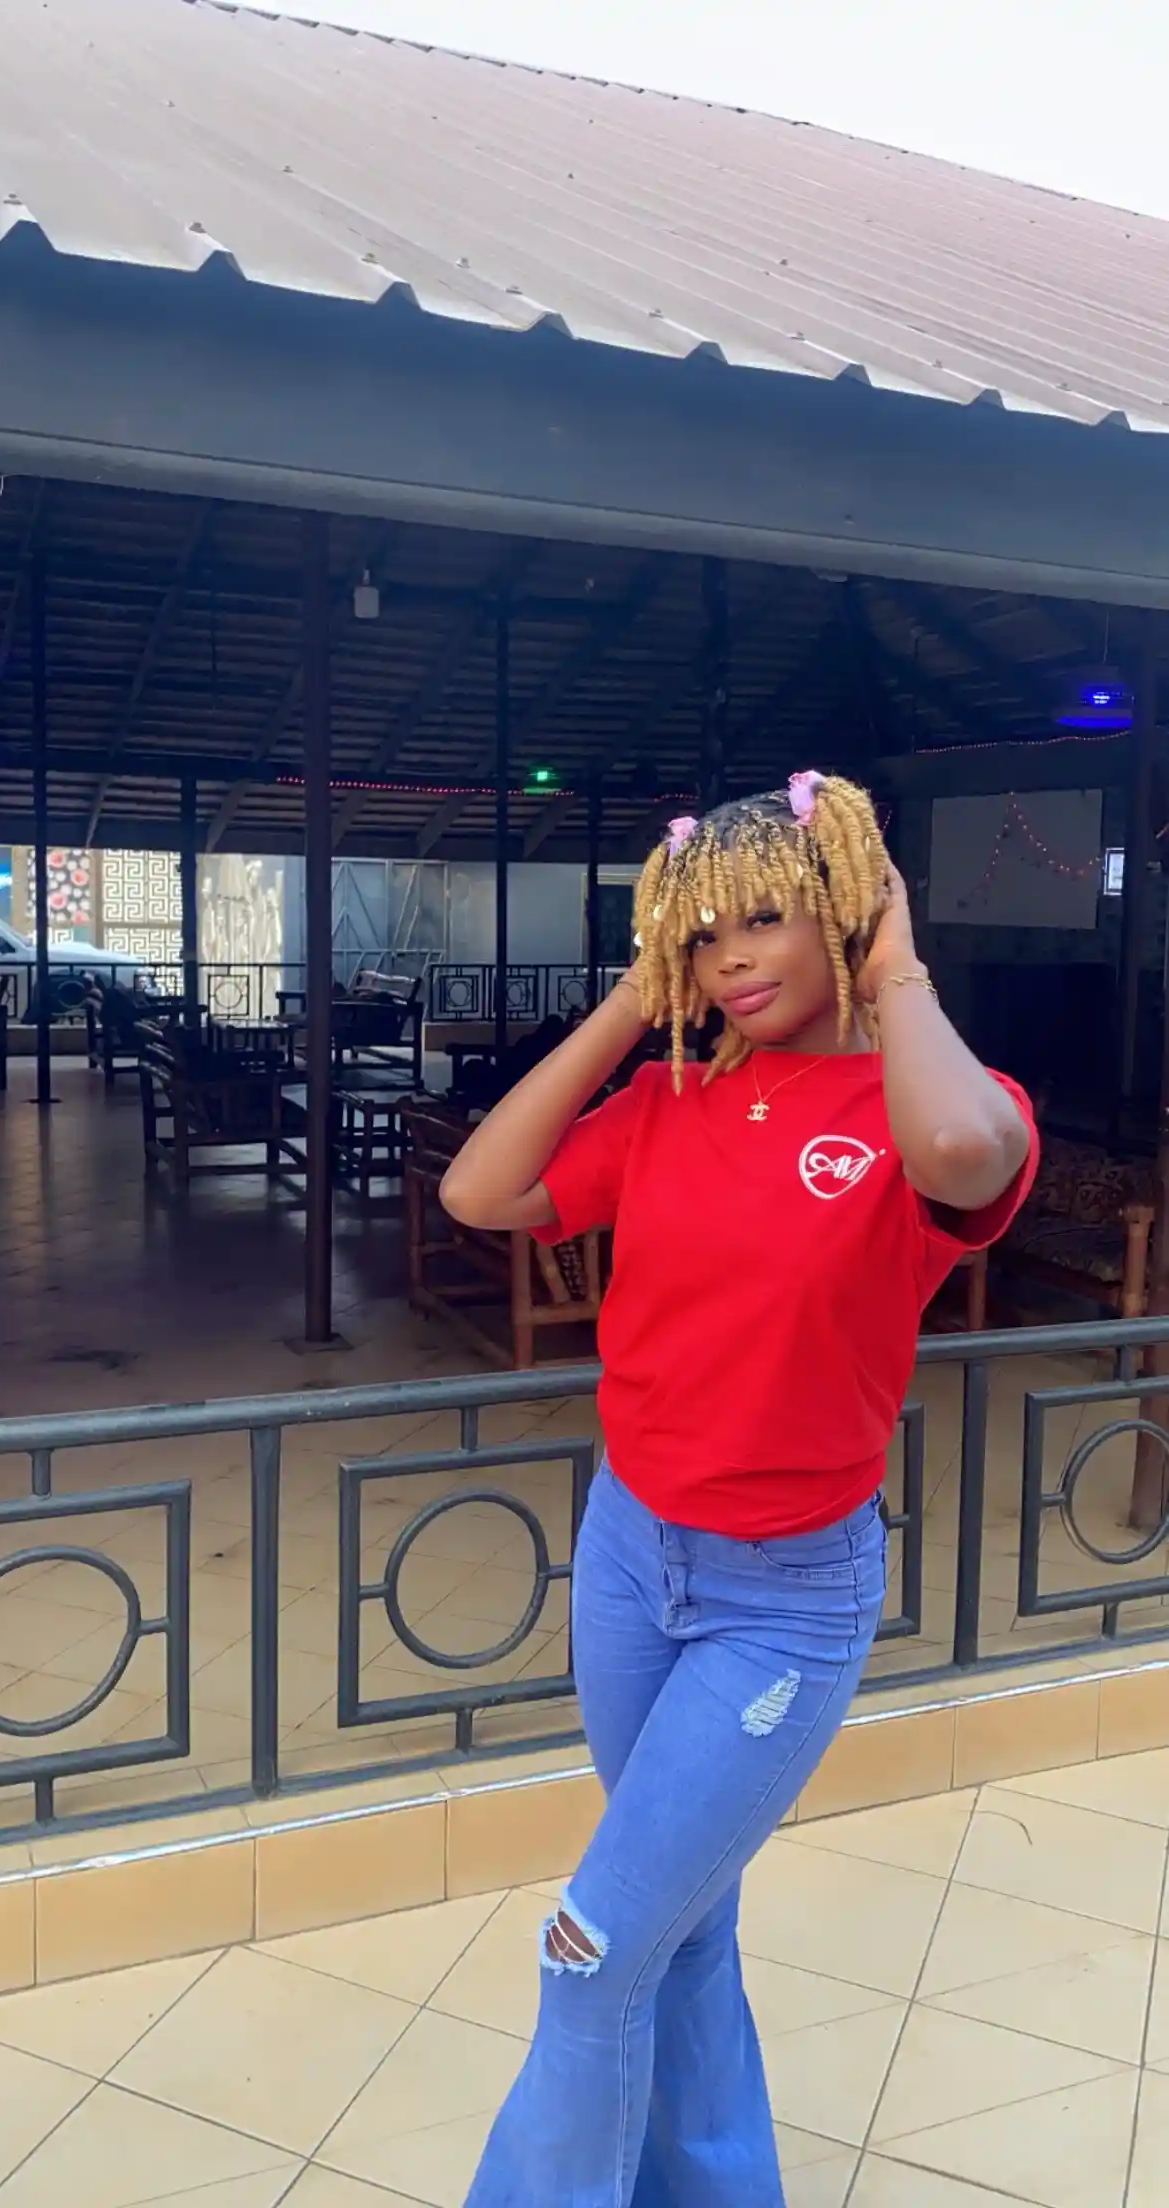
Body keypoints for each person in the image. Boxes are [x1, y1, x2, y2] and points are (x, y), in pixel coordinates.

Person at [441, 773, 1038, 2208]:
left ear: (844, 909)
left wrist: (895, 968)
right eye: (702, 935)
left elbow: (967, 1157)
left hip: (782, 1597)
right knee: (682, 1929)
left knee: (589, 1950)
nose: (730, 960)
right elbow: (480, 1192)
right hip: (629, 1555)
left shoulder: (923, 1106)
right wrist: (625, 1005)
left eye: (764, 919)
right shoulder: (666, 1100)